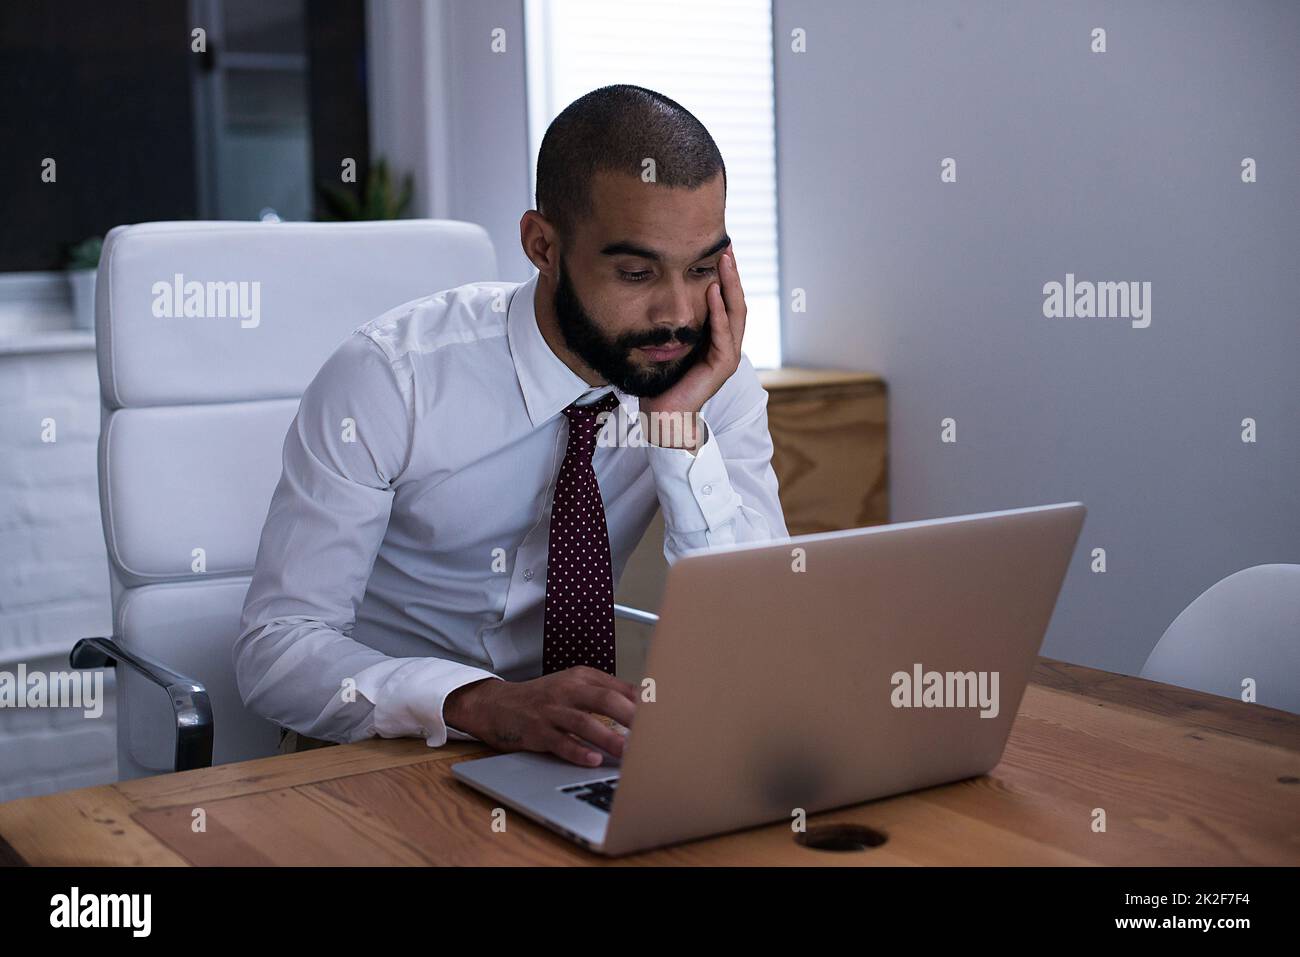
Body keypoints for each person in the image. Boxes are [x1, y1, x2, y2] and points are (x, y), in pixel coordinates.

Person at [235, 84, 788, 768]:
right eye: (637, 271)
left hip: (572, 753)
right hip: (381, 747)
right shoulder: (389, 378)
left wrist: (678, 430)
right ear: (542, 245)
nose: (677, 312)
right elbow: (277, 651)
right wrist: (479, 702)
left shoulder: (708, 377)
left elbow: (756, 640)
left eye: (703, 268)